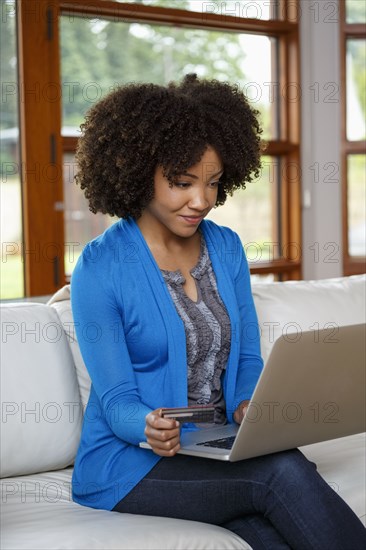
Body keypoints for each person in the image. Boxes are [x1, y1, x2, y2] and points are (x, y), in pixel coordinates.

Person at [71, 74, 366, 549]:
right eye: (182, 183)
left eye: (212, 183)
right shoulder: (100, 266)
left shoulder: (226, 248)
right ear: (136, 170)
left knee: (268, 524)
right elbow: (116, 399)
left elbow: (247, 357)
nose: (201, 201)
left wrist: (251, 404)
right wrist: (147, 426)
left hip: (215, 446)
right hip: (130, 464)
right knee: (280, 473)